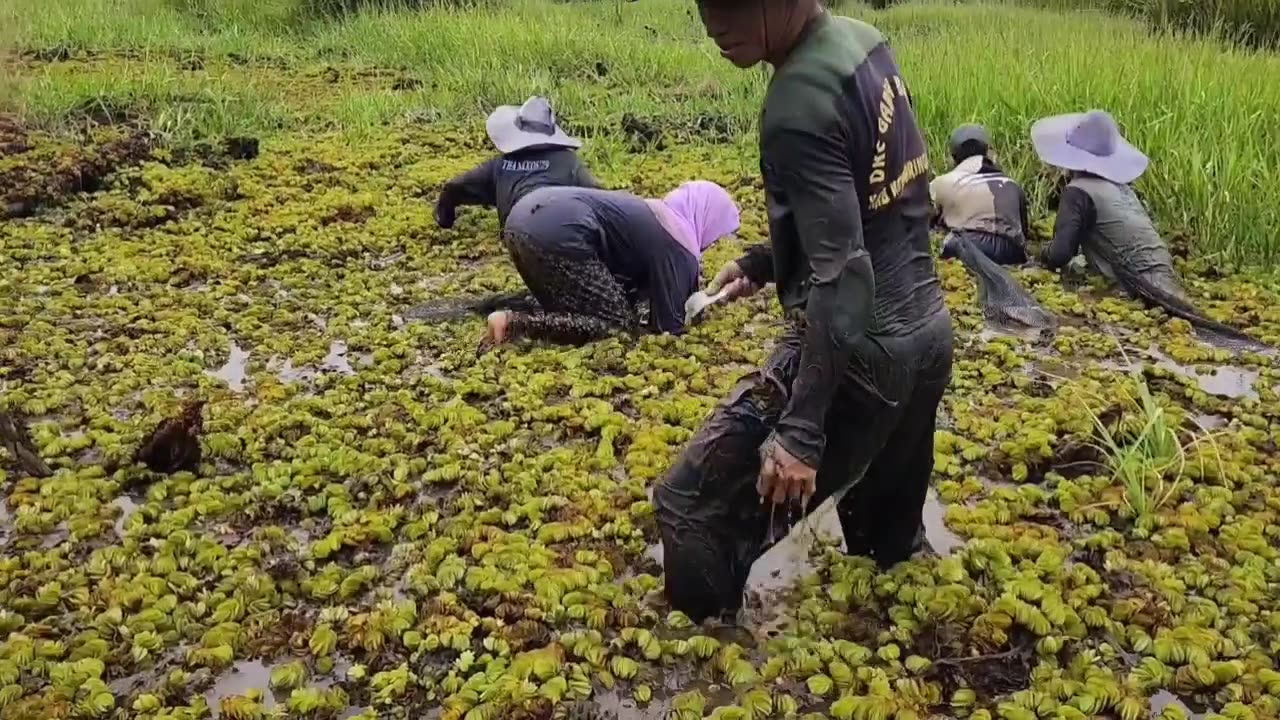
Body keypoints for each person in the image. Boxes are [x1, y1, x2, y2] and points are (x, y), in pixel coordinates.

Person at [655, 0, 954, 622]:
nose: (714, 20)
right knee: (887, 558)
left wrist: (801, 431)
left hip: (861, 354)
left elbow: (845, 277)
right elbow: (887, 204)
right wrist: (767, 261)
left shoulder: (795, 106)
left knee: (686, 503)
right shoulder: (863, 45)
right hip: (926, 339)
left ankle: (707, 666)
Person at [1033, 109, 1269, 350]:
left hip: (1135, 285)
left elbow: (1060, 254)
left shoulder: (1077, 192)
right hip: (1165, 274)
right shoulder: (1124, 190)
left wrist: (1035, 255)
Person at [480, 180, 741, 350]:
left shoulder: (652, 213)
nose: (712, 242)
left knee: (565, 305)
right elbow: (670, 326)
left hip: (520, 219)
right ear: (709, 219)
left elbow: (613, 287)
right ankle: (514, 324)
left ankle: (505, 314)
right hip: (561, 231)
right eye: (716, 235)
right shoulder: (680, 242)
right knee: (618, 328)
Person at [434, 96, 603, 231]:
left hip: (515, 230)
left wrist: (445, 218)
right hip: (558, 229)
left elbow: (454, 187)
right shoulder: (569, 162)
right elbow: (601, 198)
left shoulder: (499, 166)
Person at [930, 124, 1031, 265]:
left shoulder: (941, 183)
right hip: (1011, 252)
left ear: (953, 157)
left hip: (968, 247)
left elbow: (923, 222)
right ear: (988, 152)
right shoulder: (1012, 185)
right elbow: (1024, 232)